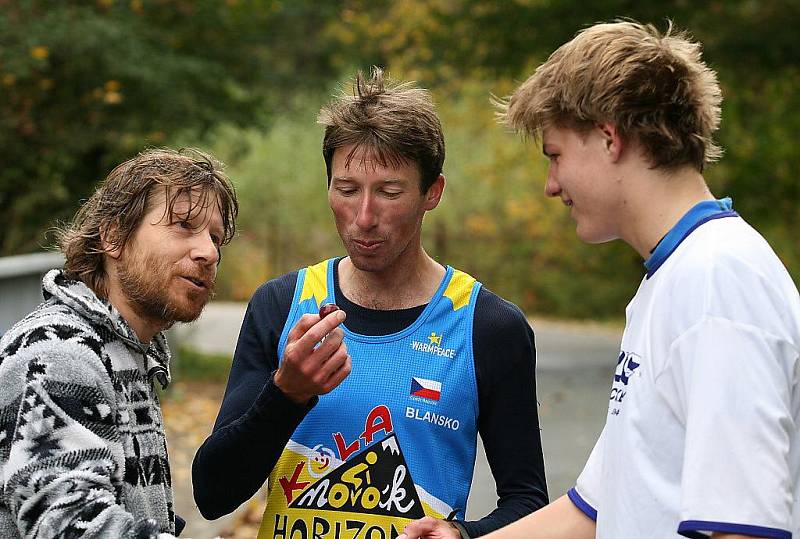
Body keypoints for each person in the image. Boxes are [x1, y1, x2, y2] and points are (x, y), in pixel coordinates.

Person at [449, 20, 800, 539]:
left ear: (609, 137)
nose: (551, 185)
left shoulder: (717, 282)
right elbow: (594, 510)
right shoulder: (672, 278)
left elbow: (742, 528)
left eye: (555, 155)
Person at [192, 67, 548, 538]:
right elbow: (213, 495)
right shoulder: (281, 305)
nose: (364, 217)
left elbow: (528, 503)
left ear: (432, 193)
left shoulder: (488, 326)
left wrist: (464, 535)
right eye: (346, 190)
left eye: (389, 192)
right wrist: (286, 393)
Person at [0, 148, 238, 538]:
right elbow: (69, 526)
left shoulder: (123, 352)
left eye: (215, 238)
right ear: (113, 237)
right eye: (184, 225)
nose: (209, 252)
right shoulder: (58, 352)